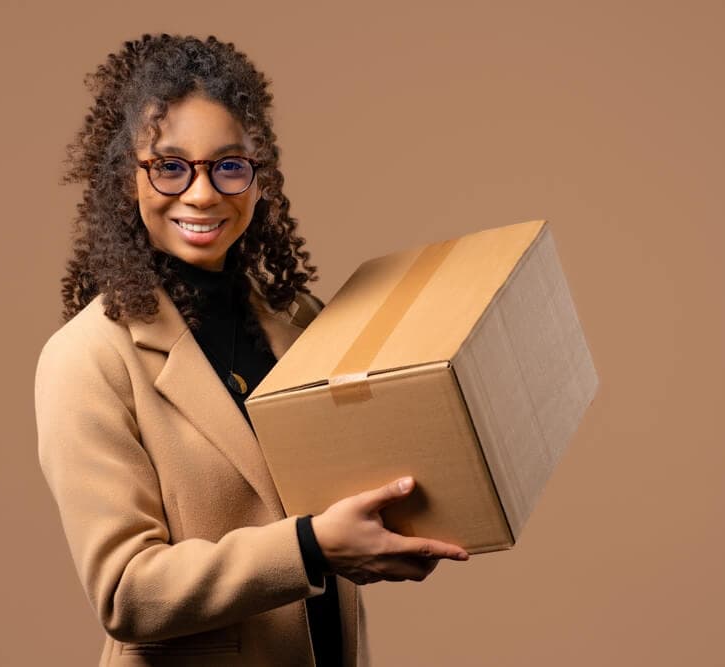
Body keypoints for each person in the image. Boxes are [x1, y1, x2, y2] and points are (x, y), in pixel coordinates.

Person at [34, 33, 470, 667]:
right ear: (125, 178)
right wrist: (312, 548)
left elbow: (344, 488)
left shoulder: (298, 321)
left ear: (258, 178)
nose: (204, 193)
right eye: (170, 165)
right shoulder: (88, 359)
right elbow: (126, 592)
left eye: (229, 165)